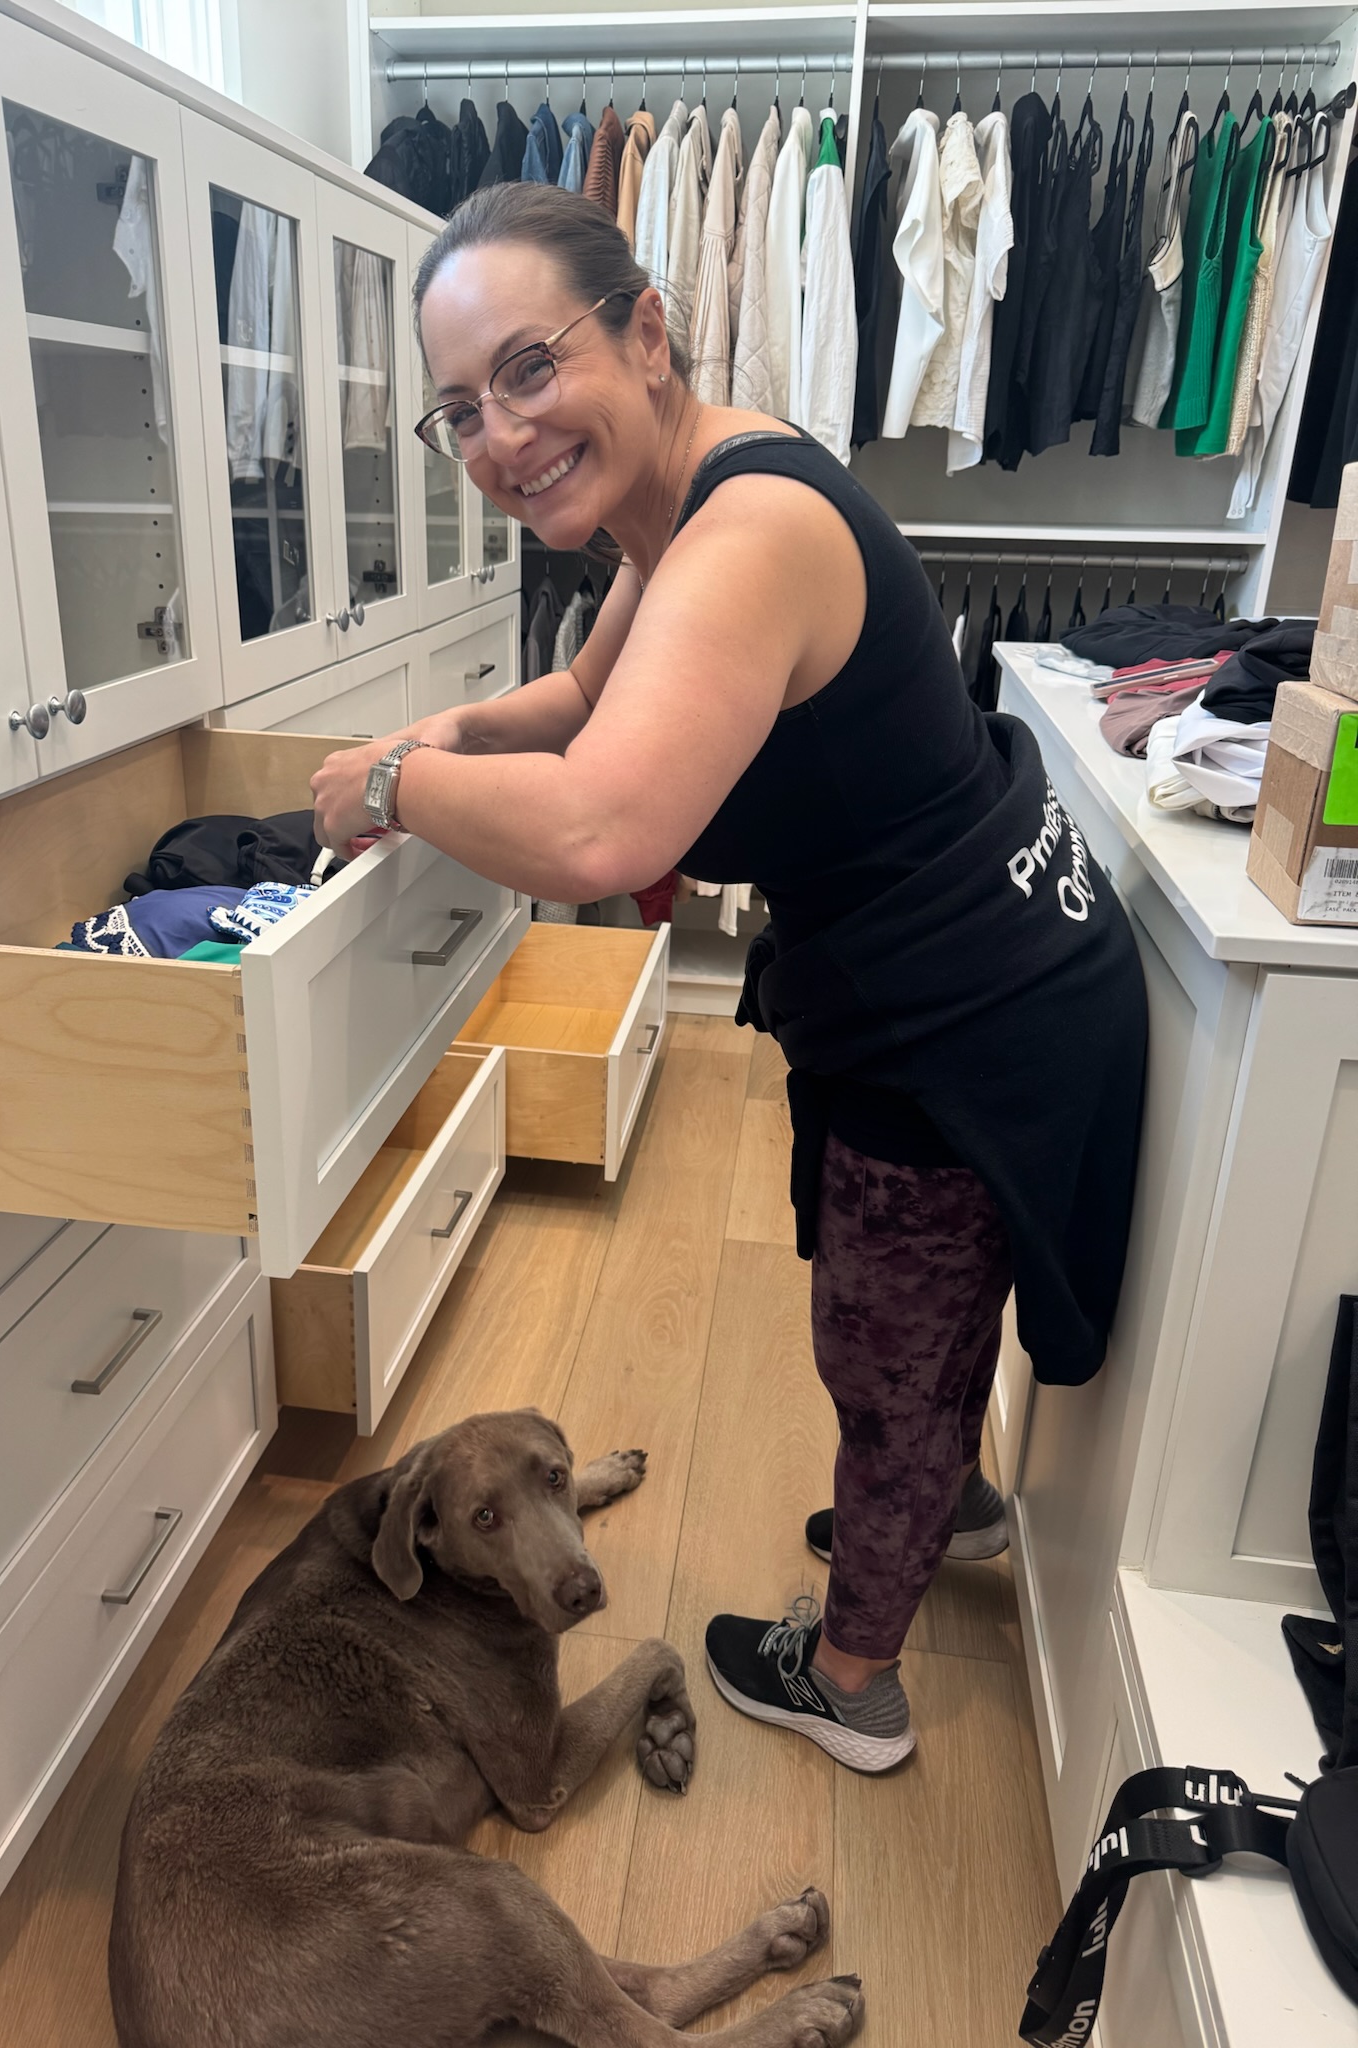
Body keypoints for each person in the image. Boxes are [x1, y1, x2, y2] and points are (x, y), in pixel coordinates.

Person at [310, 183, 1148, 1775]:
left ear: (646, 331)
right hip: (960, 967)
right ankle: (945, 1505)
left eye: (531, 368)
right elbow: (584, 698)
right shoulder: (691, 497)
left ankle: (854, 1681)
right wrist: (442, 734)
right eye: (462, 408)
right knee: (923, 1321)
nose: (500, 435)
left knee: (883, 1349)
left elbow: (600, 824)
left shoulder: (745, 534)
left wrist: (395, 786)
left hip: (972, 1016)